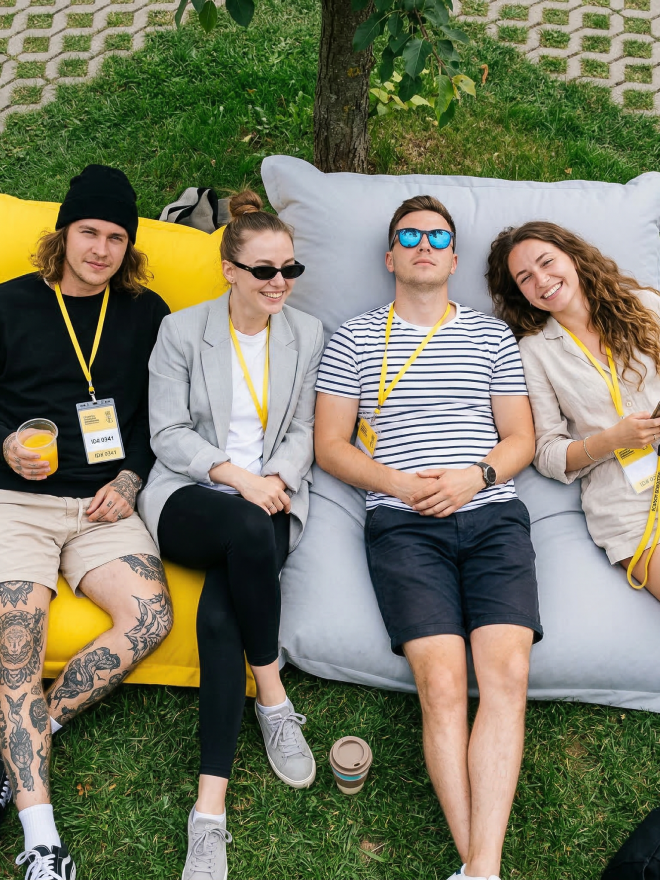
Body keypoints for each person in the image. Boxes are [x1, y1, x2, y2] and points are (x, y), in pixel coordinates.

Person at [314, 194, 542, 880]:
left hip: (492, 514)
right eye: (409, 236)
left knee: (506, 675)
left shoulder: (490, 337)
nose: (423, 245)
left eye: (437, 238)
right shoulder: (354, 338)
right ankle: (483, 870)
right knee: (441, 684)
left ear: (453, 258)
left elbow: (521, 438)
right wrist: (398, 484)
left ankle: (480, 870)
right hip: (403, 524)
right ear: (390, 257)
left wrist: (477, 476)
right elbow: (331, 445)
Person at [138, 190, 324, 880]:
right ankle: (272, 695)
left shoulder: (306, 334)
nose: (280, 283)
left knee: (220, 620)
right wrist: (238, 478)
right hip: (192, 495)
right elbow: (166, 433)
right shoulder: (183, 332)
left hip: (271, 494)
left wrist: (273, 477)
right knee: (247, 523)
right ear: (229, 269)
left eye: (289, 269)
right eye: (264, 270)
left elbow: (304, 429)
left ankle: (208, 812)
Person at [0, 164, 173, 880]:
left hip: (106, 504)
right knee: (17, 646)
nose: (101, 249)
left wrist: (132, 477)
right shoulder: (10, 303)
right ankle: (41, 841)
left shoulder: (147, 312)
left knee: (149, 618)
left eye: (115, 237)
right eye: (89, 232)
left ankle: (27, 734)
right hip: (18, 501)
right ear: (64, 233)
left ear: (128, 245)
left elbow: (167, 417)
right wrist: (5, 446)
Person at [487, 221, 660, 597]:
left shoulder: (646, 306)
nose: (542, 280)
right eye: (525, 278)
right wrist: (613, 439)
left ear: (574, 257)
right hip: (625, 504)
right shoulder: (533, 351)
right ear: (521, 294)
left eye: (547, 262)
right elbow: (546, 453)